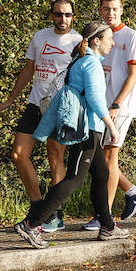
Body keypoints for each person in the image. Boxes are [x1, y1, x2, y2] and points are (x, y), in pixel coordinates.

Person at [13, 21, 122, 246]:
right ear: (96, 41)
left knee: (101, 174)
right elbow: (94, 98)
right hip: (88, 129)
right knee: (74, 178)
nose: (113, 42)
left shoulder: (81, 60)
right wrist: (111, 126)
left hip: (89, 128)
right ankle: (32, 224)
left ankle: (108, 227)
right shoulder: (91, 63)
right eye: (109, 38)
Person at [0, 0, 82, 231]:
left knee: (55, 158)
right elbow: (29, 68)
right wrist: (10, 99)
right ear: (51, 16)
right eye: (59, 15)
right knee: (18, 154)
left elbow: (84, 76)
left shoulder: (79, 41)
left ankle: (54, 214)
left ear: (73, 16)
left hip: (59, 107)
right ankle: (38, 206)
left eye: (68, 15)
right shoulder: (40, 36)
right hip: (35, 104)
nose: (63, 19)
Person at [82, 0, 136, 230]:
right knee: (96, 158)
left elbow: (133, 76)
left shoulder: (131, 36)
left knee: (109, 156)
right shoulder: (97, 35)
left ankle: (104, 216)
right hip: (98, 106)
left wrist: (117, 104)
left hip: (119, 107)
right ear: (100, 10)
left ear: (121, 10)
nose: (110, 13)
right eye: (106, 9)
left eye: (115, 9)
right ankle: (132, 191)